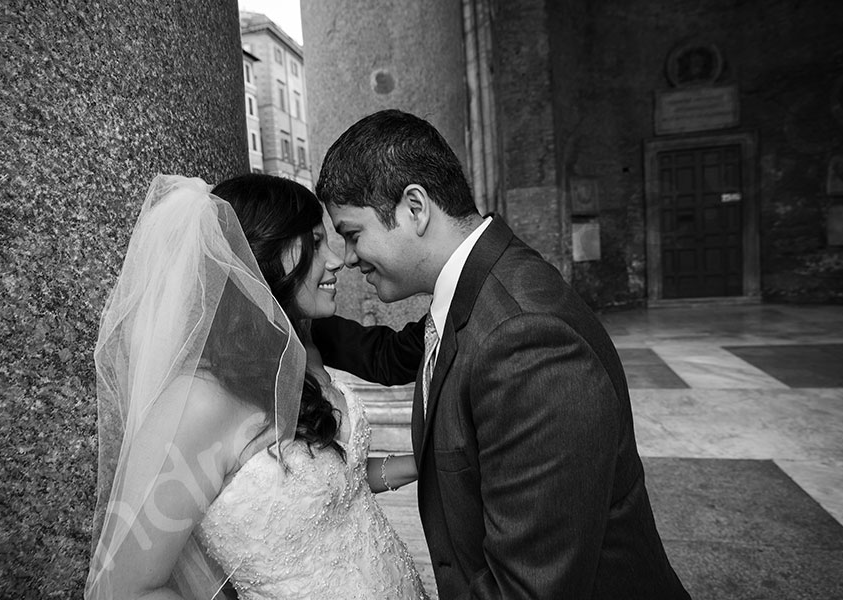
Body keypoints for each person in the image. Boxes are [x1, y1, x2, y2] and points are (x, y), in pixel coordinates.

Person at [311, 109, 691, 599]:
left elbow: (528, 587)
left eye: (352, 233)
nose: (345, 257)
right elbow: (394, 354)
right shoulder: (478, 288)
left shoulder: (526, 340)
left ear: (414, 207)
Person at [86, 173, 428, 599]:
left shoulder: (303, 354)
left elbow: (338, 484)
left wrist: (419, 462)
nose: (338, 260)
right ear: (259, 255)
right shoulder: (201, 403)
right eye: (315, 242)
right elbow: (126, 590)